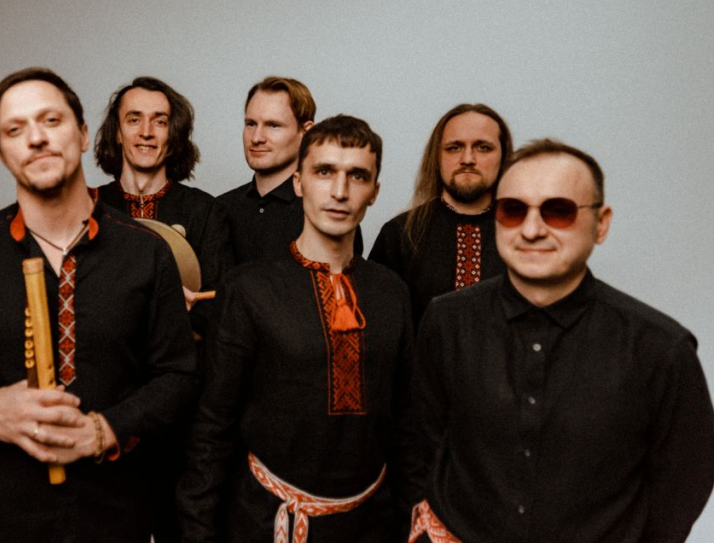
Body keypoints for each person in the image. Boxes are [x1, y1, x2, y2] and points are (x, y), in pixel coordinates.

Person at [0, 67, 197, 542]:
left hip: (113, 514)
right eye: (15, 129)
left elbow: (179, 376)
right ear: (1, 151)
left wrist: (104, 430)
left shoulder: (145, 252)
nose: (36, 138)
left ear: (83, 134)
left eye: (51, 120)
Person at [411, 139, 714, 543]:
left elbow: (685, 482)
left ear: (601, 223)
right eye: (513, 210)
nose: (532, 230)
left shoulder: (661, 349)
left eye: (558, 211)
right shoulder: (447, 321)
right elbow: (417, 443)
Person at [179, 115, 418, 543]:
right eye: (324, 171)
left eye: (357, 176)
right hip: (265, 523)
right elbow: (212, 428)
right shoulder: (249, 288)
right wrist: (197, 532)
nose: (340, 191)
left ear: (374, 191)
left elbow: (407, 429)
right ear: (298, 182)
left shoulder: (392, 292)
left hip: (371, 526)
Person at [94, 76, 232, 338]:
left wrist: (181, 309)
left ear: (173, 134)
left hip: (184, 358)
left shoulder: (205, 211)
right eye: (134, 120)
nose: (146, 132)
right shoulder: (89, 206)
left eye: (159, 121)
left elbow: (224, 307)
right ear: (117, 133)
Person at [369, 103, 512, 330]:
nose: (468, 158)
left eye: (483, 147)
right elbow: (380, 331)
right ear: (437, 156)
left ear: (503, 157)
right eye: (454, 147)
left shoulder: (523, 233)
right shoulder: (399, 234)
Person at [219, 76, 362, 266]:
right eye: (251, 124)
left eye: (273, 125)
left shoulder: (329, 214)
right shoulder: (219, 209)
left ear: (306, 132)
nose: (256, 138)